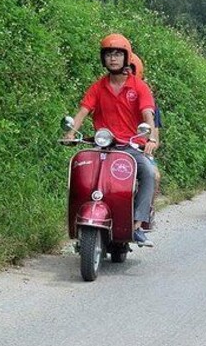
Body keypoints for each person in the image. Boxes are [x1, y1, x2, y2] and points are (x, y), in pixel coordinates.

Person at [63, 34, 158, 246]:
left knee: (149, 173)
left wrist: (150, 136)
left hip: (130, 147)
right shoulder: (97, 87)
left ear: (126, 57)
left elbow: (148, 114)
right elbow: (83, 111)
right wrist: (71, 132)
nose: (113, 58)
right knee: (81, 175)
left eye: (117, 54)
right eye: (108, 54)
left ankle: (137, 224)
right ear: (103, 59)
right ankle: (78, 220)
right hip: (101, 146)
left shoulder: (139, 87)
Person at [128, 52, 162, 188]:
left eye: (129, 70)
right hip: (112, 150)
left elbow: (155, 138)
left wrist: (149, 144)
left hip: (139, 150)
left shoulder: (150, 104)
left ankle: (147, 208)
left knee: (155, 175)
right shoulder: (108, 95)